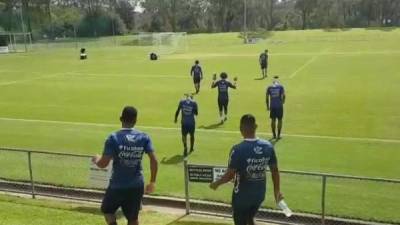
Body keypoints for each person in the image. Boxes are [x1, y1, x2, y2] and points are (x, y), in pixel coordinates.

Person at [209, 114, 283, 225]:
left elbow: (229, 175)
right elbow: (275, 171)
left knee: (240, 221)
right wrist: (277, 192)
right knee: (250, 217)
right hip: (259, 195)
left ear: (240, 129)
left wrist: (216, 184)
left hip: (242, 197)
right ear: (256, 126)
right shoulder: (268, 146)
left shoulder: (237, 150)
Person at [92, 106, 158, 225]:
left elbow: (103, 164)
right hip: (136, 185)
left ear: (121, 119)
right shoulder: (144, 137)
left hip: (118, 185)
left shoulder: (113, 138)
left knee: (107, 210)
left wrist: (96, 159)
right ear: (135, 120)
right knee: (133, 218)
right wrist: (152, 182)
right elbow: (154, 160)